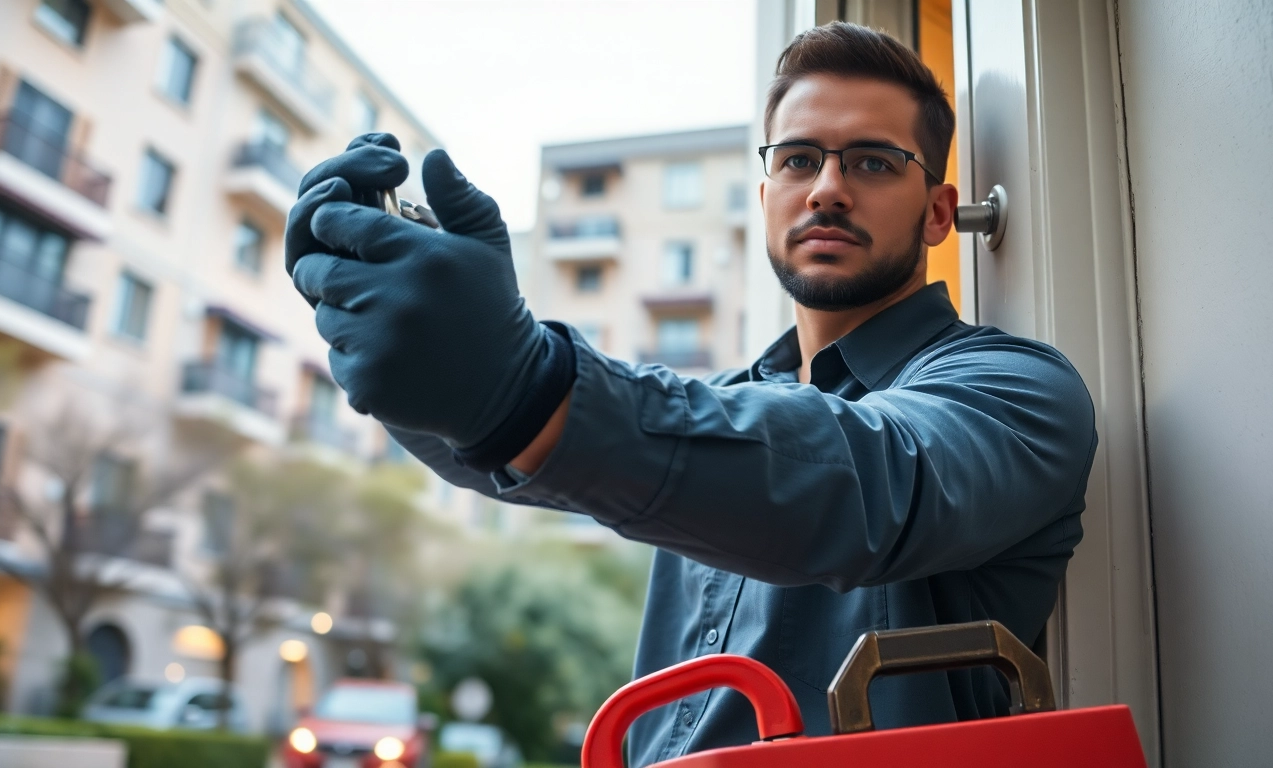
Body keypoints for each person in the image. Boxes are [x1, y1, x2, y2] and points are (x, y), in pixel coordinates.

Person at [284, 21, 1095, 767]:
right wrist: (417, 355)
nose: (827, 189)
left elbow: (862, 482)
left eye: (874, 162)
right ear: (768, 190)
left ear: (938, 214)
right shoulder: (730, 405)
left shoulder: (1019, 390)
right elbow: (522, 458)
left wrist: (519, 379)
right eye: (799, 159)